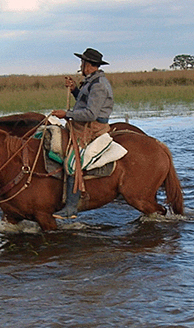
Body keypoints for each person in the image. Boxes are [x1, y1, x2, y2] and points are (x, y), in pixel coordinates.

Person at [50, 48, 114, 219]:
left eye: (82, 63)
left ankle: (71, 207)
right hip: (82, 125)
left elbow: (91, 114)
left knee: (72, 163)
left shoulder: (99, 85)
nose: (80, 66)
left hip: (91, 128)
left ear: (88, 65)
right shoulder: (91, 82)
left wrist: (67, 114)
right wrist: (74, 90)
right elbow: (84, 102)